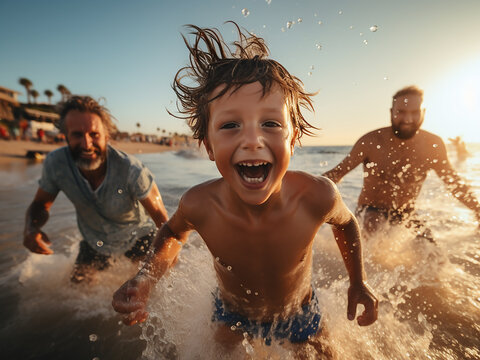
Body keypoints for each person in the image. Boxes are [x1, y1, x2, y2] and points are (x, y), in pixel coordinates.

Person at [112, 23, 377, 353]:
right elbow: (172, 233)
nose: (252, 140)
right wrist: (145, 279)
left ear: (293, 139)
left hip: (299, 312)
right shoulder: (200, 204)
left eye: (270, 123)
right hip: (232, 315)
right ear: (208, 146)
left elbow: (347, 223)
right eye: (230, 125)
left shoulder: (316, 196)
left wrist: (358, 281)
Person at [23, 96, 169, 283]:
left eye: (94, 134)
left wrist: (163, 261)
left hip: (138, 239)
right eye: (77, 135)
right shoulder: (56, 164)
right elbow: (41, 203)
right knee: (77, 294)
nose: (86, 144)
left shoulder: (132, 170)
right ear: (65, 136)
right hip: (95, 241)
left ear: (107, 136)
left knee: (144, 293)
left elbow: (164, 223)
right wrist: (31, 227)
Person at [323, 86, 480, 241]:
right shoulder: (371, 141)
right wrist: (303, 193)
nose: (408, 119)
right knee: (374, 227)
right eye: (401, 112)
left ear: (423, 113)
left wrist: (477, 210)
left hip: (407, 213)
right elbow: (337, 173)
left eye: (414, 112)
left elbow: (454, 183)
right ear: (391, 113)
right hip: (370, 211)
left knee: (432, 252)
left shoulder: (433, 145)